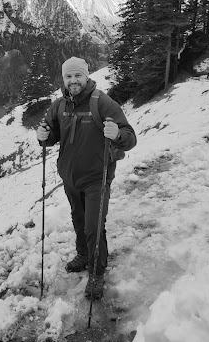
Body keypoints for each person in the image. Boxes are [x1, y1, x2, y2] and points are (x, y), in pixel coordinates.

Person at [36, 57, 137, 299]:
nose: (73, 80)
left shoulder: (102, 103)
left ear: (86, 76)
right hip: (70, 176)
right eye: (68, 76)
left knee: (94, 225)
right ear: (63, 79)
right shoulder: (59, 106)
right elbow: (51, 135)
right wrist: (43, 136)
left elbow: (130, 137)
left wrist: (117, 134)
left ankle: (96, 272)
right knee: (79, 218)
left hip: (97, 177)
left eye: (78, 75)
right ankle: (83, 255)